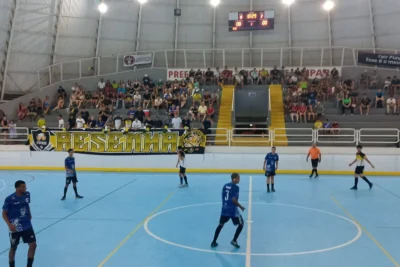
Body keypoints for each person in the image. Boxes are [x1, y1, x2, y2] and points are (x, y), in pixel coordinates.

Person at [2, 180, 37, 267]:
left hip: (27, 224)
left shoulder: (27, 194)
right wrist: (9, 225)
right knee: (14, 247)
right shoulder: (9, 199)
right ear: (18, 188)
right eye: (23, 187)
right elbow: (4, 214)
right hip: (15, 226)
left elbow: (26, 204)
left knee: (33, 245)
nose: (25, 188)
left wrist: (29, 213)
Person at [211, 173, 245, 249]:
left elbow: (223, 195)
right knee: (241, 224)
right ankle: (234, 240)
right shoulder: (236, 188)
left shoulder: (225, 185)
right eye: (238, 178)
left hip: (224, 209)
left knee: (221, 225)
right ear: (234, 179)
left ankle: (213, 241)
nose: (239, 180)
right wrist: (241, 206)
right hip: (232, 211)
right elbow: (234, 200)